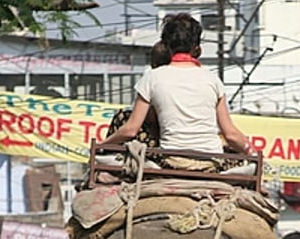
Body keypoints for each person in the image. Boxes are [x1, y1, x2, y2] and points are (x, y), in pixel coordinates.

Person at [101, 13, 251, 160]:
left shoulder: (152, 78)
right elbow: (231, 135)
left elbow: (130, 130)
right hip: (211, 162)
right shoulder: (214, 81)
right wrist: (254, 153)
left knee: (123, 117)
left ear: (165, 46)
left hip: (171, 161)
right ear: (198, 49)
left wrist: (102, 145)